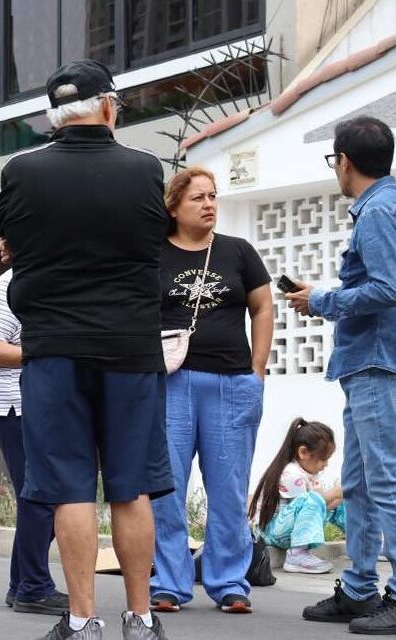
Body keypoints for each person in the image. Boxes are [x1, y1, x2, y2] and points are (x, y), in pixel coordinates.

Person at [0, 59, 172, 640]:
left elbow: (10, 241)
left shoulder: (22, 172)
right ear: (110, 107)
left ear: (52, 117)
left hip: (53, 349)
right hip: (128, 348)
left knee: (69, 488)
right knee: (131, 486)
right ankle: (141, 620)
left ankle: (82, 619)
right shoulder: (145, 170)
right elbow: (154, 245)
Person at [286, 116, 396, 635]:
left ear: (344, 160)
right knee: (361, 482)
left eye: (334, 161)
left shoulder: (376, 211)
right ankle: (359, 589)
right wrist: (322, 293)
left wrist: (322, 300)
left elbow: (388, 289)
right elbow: (379, 284)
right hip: (374, 359)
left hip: (376, 360)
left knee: (386, 481)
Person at [148, 167, 273, 615]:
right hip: (171, 385)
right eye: (198, 197)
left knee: (229, 489)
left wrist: (257, 369)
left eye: (213, 197)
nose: (209, 205)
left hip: (232, 383)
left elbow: (262, 307)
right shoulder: (154, 255)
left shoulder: (238, 252)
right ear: (175, 206)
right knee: (167, 489)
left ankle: (229, 582)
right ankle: (169, 582)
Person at [0, 246, 68, 616]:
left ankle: (23, 584)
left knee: (43, 498)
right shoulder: (12, 282)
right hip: (16, 405)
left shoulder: (51, 282)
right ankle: (33, 585)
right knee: (42, 497)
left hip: (44, 407)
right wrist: (46, 352)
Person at [250, 418, 344, 575]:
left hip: (290, 527)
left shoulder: (308, 473)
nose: (325, 465)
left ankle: (364, 543)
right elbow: (307, 505)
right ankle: (297, 556)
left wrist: (338, 498)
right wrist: (334, 493)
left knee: (341, 502)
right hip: (273, 532)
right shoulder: (291, 474)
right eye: (323, 459)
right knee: (315, 499)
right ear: (303, 452)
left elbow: (314, 508)